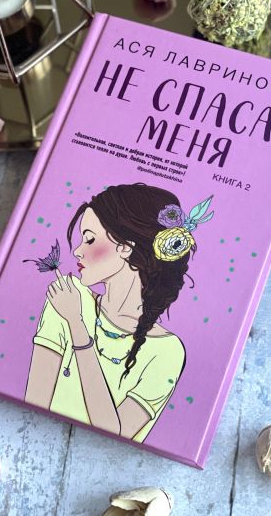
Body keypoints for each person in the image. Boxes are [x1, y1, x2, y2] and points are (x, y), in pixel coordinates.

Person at [24, 183, 213, 442]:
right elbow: (33, 402)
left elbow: (113, 432)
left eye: (90, 239)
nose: (77, 250)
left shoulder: (166, 351)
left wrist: (77, 327)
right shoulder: (68, 298)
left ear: (126, 247)